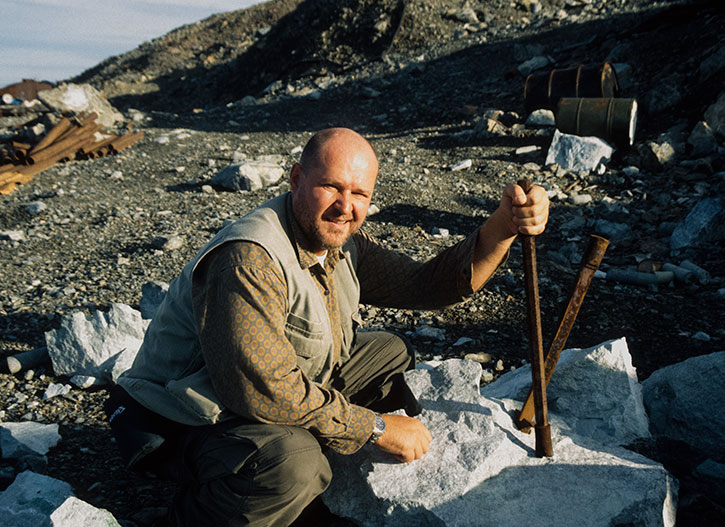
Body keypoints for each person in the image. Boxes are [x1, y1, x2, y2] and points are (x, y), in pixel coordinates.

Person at [105, 127, 549, 527]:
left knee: (388, 352)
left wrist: (502, 227)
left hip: (261, 388)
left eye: (360, 193)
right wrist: (374, 428)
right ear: (296, 179)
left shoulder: (339, 242)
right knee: (295, 464)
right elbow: (265, 392)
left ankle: (296, 465)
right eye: (331, 186)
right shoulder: (250, 259)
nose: (346, 206)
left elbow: (425, 284)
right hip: (178, 418)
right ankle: (197, 513)